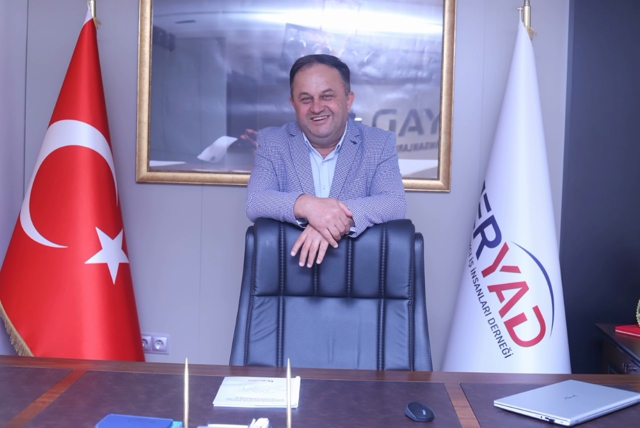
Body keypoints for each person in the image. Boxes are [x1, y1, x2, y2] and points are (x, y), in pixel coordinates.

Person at [246, 54, 406, 268]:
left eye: (327, 96)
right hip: (289, 275)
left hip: (360, 276)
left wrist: (333, 218)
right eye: (306, 99)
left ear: (348, 100)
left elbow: (394, 203)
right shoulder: (272, 142)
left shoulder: (379, 143)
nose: (316, 107)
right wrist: (308, 206)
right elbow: (255, 201)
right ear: (293, 103)